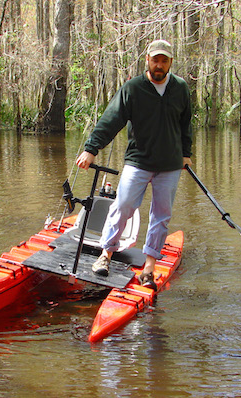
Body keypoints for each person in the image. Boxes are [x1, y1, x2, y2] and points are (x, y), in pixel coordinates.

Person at [76, 39, 193, 290]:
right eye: (155, 59)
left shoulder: (181, 88)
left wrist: (186, 153)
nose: (159, 65)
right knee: (123, 206)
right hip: (138, 161)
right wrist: (91, 149)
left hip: (170, 165)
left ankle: (149, 267)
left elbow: (185, 124)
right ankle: (106, 254)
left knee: (161, 216)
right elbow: (111, 120)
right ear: (147, 60)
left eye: (164, 60)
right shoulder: (133, 88)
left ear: (170, 62)